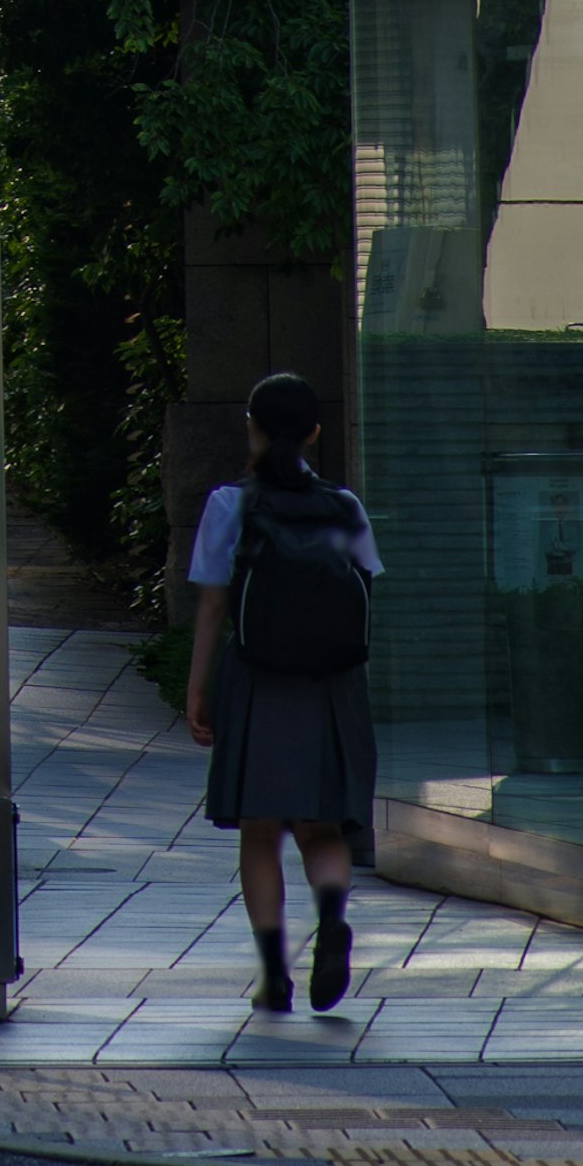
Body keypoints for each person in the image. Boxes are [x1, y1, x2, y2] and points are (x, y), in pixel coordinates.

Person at [184, 363, 380, 1017]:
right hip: (332, 684)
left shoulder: (228, 504)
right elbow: (366, 589)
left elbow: (214, 606)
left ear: (253, 431)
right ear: (317, 433)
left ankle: (274, 976)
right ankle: (332, 921)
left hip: (257, 678)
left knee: (261, 831)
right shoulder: (344, 504)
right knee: (324, 829)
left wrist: (198, 690)